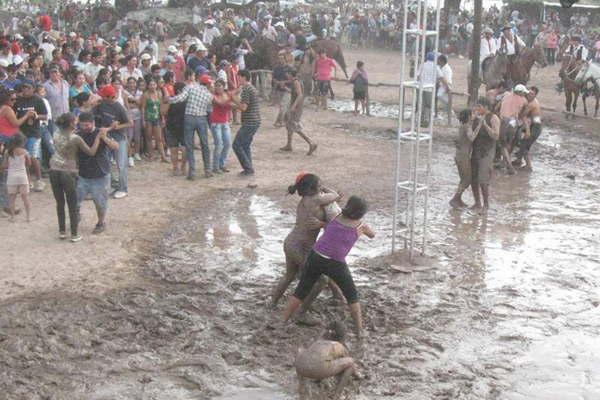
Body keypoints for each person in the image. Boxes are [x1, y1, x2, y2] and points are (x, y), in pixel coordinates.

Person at [283, 196, 375, 337]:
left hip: (316, 255)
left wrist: (321, 224)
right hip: (336, 263)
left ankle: (282, 321)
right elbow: (372, 235)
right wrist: (367, 229)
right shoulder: (360, 227)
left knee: (301, 291)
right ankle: (359, 331)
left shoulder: (336, 217)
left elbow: (330, 227)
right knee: (352, 295)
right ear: (362, 213)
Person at [271, 173, 342, 307]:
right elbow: (336, 196)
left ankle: (272, 303)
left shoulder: (306, 199)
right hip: (300, 246)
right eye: (319, 185)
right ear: (311, 189)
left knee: (289, 276)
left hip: (291, 243)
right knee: (322, 279)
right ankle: (302, 311)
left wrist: (321, 188)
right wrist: (326, 189)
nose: (321, 187)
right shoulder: (315, 199)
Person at [50, 112, 107, 242]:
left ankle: (62, 232)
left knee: (59, 203)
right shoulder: (76, 138)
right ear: (71, 123)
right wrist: (98, 138)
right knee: (72, 203)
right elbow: (91, 152)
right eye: (75, 121)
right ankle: (75, 234)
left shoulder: (56, 134)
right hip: (68, 171)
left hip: (54, 169)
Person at [76, 112, 119, 234]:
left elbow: (115, 146)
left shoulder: (101, 132)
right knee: (75, 200)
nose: (85, 128)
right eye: (82, 125)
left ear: (93, 123)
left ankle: (101, 222)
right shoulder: (78, 134)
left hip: (100, 173)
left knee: (100, 202)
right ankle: (77, 215)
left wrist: (104, 137)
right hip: (83, 174)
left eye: (87, 125)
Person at [295, 321, 358, 400]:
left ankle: (301, 387)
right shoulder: (338, 345)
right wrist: (357, 375)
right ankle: (336, 396)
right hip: (319, 370)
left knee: (303, 352)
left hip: (301, 368)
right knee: (351, 362)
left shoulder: (317, 342)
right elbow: (347, 362)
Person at [93, 84, 131, 199]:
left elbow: (130, 123)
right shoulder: (101, 104)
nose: (102, 97)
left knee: (121, 164)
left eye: (104, 96)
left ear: (110, 97)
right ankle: (114, 186)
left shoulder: (119, 107)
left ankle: (123, 188)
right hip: (107, 137)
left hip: (119, 138)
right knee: (106, 163)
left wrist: (115, 127)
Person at [14, 82, 48, 192]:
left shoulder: (38, 100)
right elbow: (15, 115)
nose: (26, 90)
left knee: (33, 156)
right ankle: (28, 181)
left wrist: (36, 116)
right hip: (21, 133)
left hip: (34, 132)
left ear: (33, 89)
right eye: (24, 87)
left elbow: (45, 116)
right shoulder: (18, 101)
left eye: (28, 88)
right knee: (23, 157)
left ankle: (39, 180)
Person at [471, 97, 500, 212]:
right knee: (473, 179)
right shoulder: (476, 118)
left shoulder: (493, 118)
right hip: (475, 151)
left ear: (486, 107)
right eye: (477, 106)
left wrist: (485, 125)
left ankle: (486, 205)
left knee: (483, 180)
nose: (477, 109)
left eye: (479, 107)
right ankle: (477, 203)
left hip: (487, 152)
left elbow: (496, 136)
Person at [280, 68, 316, 155]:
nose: (286, 76)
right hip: (296, 106)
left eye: (287, 74)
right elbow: (295, 93)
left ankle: (311, 142)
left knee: (294, 125)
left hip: (296, 107)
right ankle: (289, 145)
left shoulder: (296, 82)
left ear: (290, 74)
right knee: (289, 125)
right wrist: (285, 88)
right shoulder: (296, 81)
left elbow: (300, 95)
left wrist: (293, 106)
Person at [231, 69, 260, 176]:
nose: (238, 79)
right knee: (245, 145)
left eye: (239, 77)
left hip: (250, 121)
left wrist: (234, 100)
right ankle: (249, 167)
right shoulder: (251, 87)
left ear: (243, 77)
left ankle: (248, 168)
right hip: (254, 121)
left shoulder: (247, 89)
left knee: (236, 145)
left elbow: (243, 107)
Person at [498, 84, 529, 174]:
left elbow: (498, 106)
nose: (524, 95)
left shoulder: (506, 95)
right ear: (520, 92)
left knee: (502, 144)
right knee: (508, 143)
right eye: (523, 93)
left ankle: (507, 164)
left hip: (504, 120)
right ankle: (507, 163)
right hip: (513, 122)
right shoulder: (524, 100)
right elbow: (523, 114)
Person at [449, 109, 477, 209]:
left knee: (463, 179)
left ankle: (458, 199)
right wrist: (479, 126)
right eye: (472, 113)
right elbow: (472, 138)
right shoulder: (467, 126)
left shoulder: (462, 126)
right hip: (463, 156)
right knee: (467, 179)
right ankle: (455, 199)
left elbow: (457, 140)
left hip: (460, 155)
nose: (474, 115)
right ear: (469, 116)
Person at [2, 133, 31, 221]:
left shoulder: (8, 152)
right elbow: (29, 164)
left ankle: (13, 217)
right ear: (22, 142)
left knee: (12, 199)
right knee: (25, 198)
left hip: (11, 178)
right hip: (22, 177)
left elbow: (5, 165)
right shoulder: (25, 152)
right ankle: (28, 217)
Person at [513, 86, 542, 171]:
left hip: (535, 127)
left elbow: (522, 115)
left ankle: (528, 166)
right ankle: (518, 160)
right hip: (535, 124)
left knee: (525, 144)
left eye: (532, 94)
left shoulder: (532, 104)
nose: (529, 95)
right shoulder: (532, 102)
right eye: (529, 93)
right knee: (523, 143)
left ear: (535, 95)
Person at [140, 78, 166, 163]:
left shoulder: (159, 94)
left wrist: (162, 118)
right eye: (151, 85)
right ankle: (151, 155)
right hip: (148, 118)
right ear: (148, 86)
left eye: (154, 84)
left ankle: (163, 156)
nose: (152, 86)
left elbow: (161, 107)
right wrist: (143, 119)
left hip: (157, 117)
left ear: (156, 85)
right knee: (149, 137)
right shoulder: (145, 95)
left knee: (159, 138)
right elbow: (143, 108)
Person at [210, 79, 232, 174]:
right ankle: (216, 166)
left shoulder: (226, 95)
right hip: (216, 123)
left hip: (224, 122)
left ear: (223, 86)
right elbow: (221, 103)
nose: (218, 87)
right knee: (219, 145)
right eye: (216, 85)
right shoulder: (214, 96)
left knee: (227, 144)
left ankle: (221, 164)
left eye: (219, 85)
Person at [165, 81, 187, 176]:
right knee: (185, 148)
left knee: (174, 149)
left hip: (171, 126)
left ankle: (175, 168)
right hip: (183, 126)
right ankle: (183, 167)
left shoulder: (171, 100)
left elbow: (163, 112)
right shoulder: (187, 101)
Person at [436, 55, 453, 125]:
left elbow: (446, 80)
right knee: (441, 98)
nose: (437, 62)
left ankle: (449, 111)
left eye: (438, 60)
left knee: (439, 95)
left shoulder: (447, 69)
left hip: (446, 86)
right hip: (442, 85)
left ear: (442, 61)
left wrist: (447, 88)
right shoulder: (442, 67)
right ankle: (448, 110)